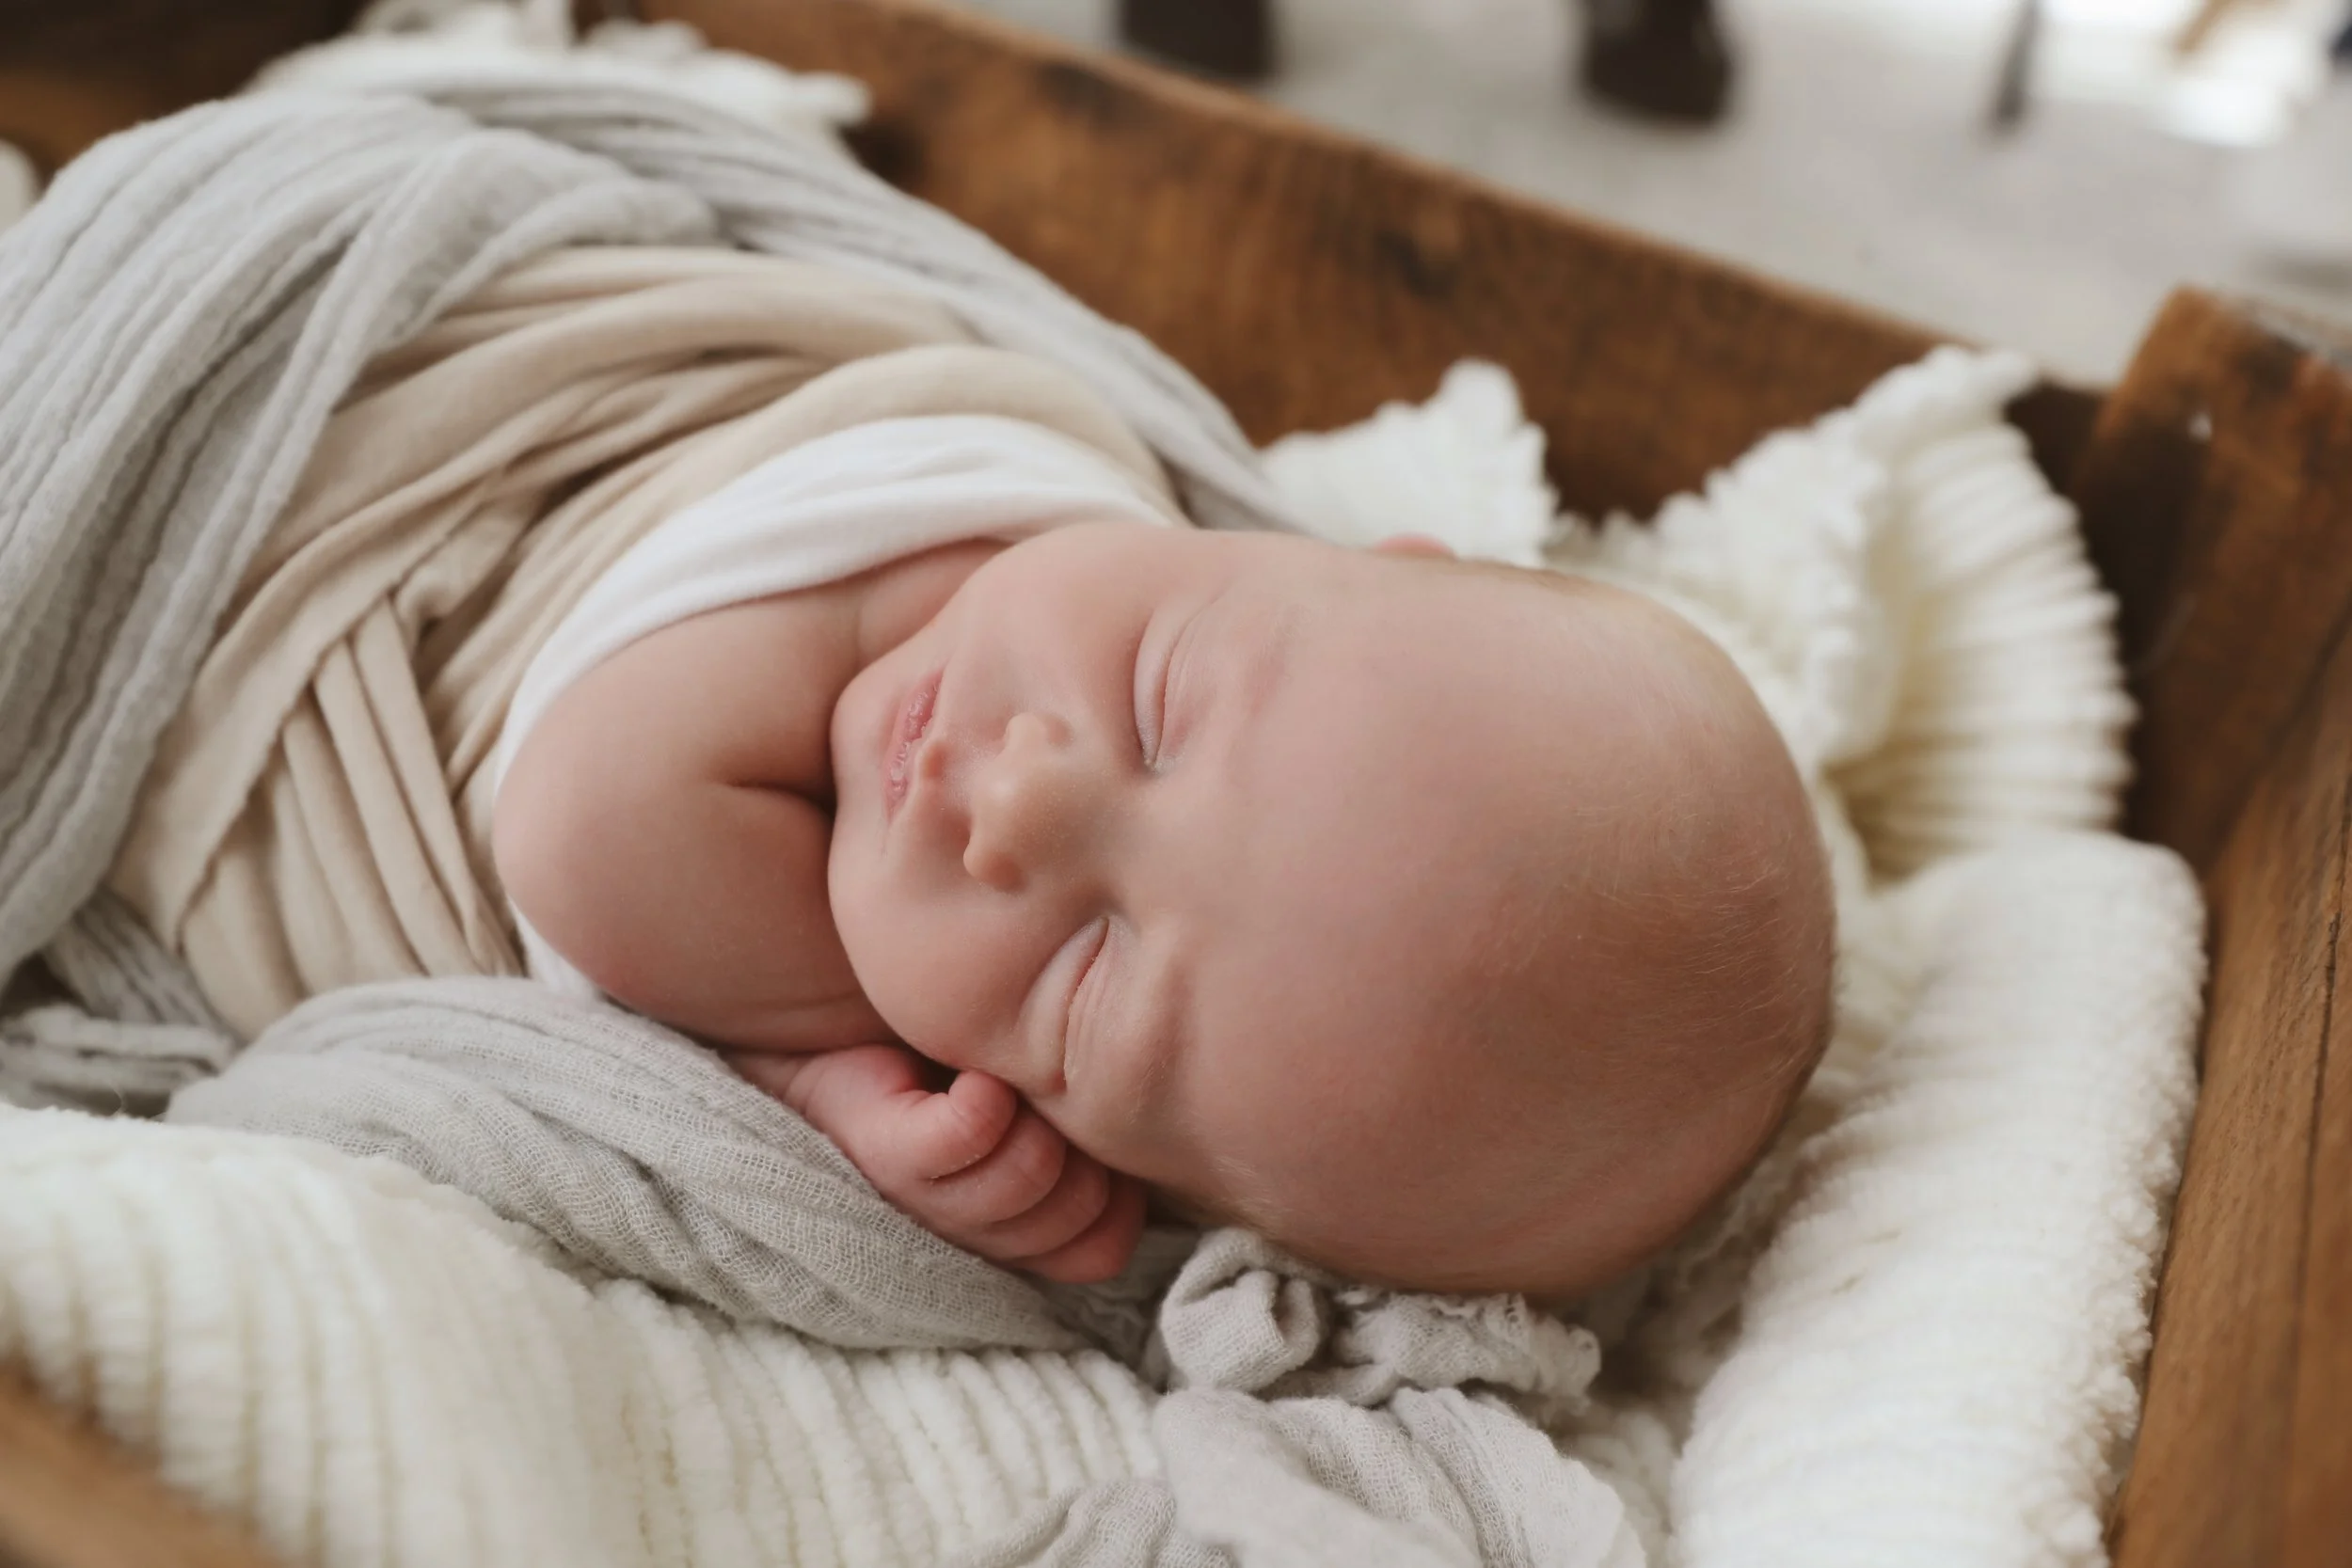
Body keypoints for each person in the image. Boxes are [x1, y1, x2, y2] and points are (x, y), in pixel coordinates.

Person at [493, 414, 1836, 1298]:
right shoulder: (980, 491)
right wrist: (798, 1050)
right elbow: (577, 825)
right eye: (1155, 698)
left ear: (1122, 1171)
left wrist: (795, 1094)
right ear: (1336, 555)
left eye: (1085, 975)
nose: (1018, 799)